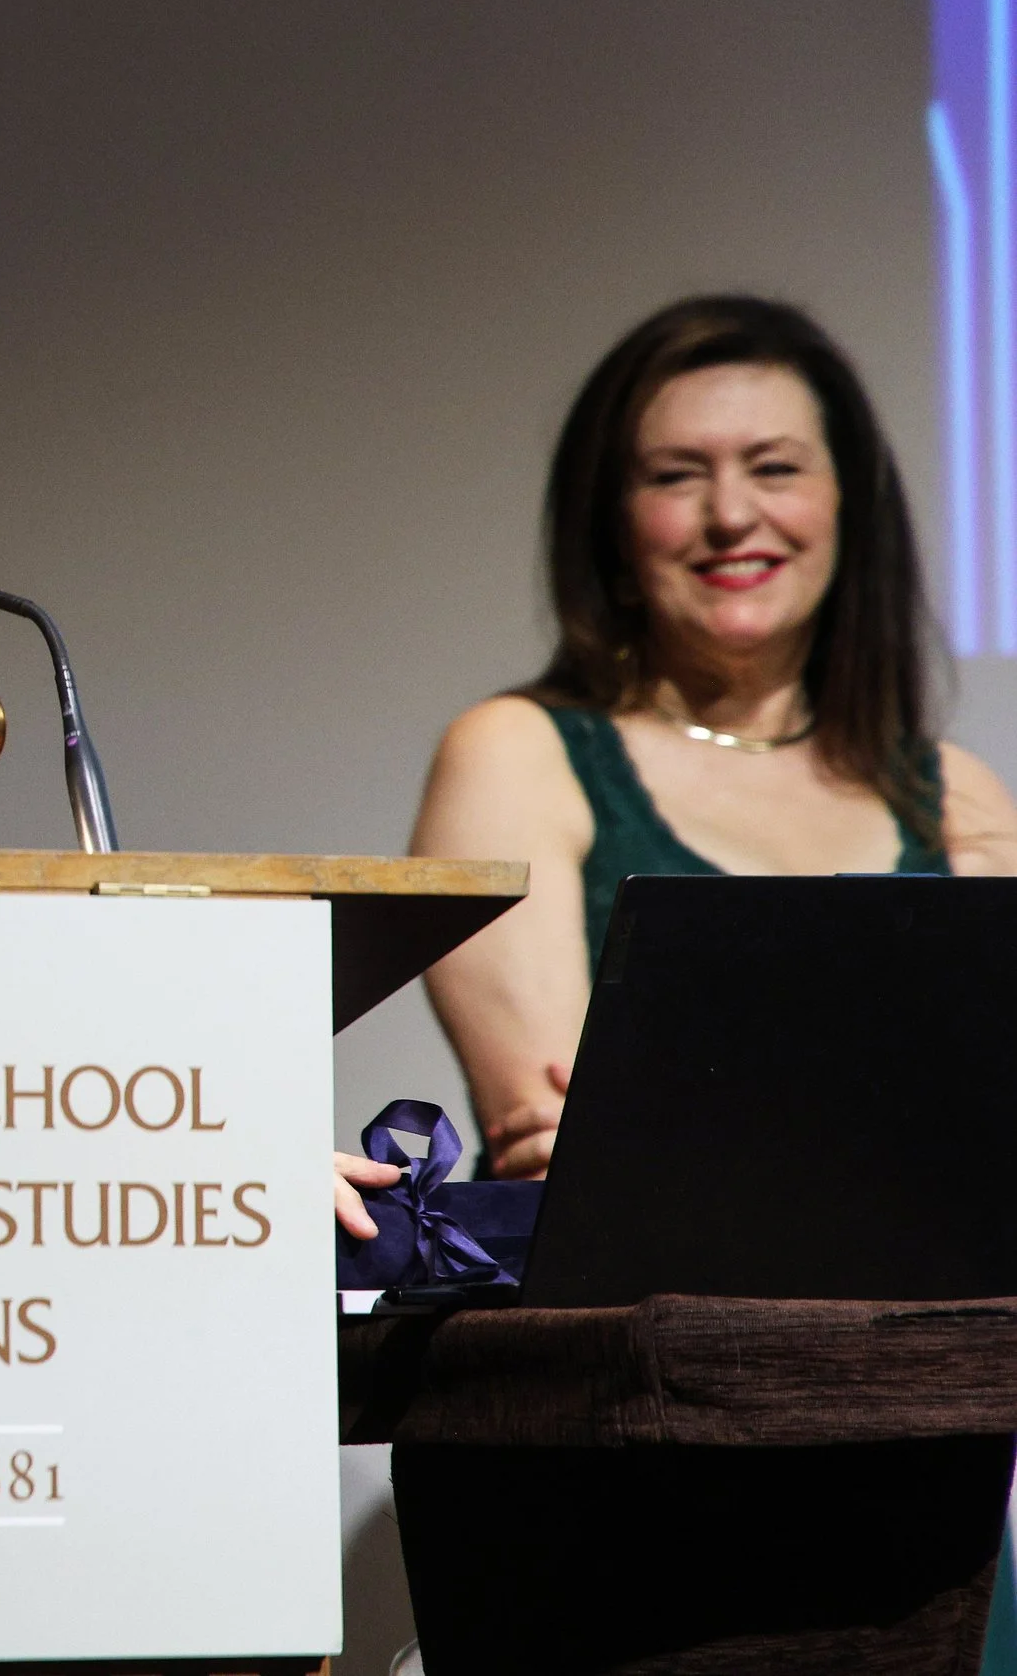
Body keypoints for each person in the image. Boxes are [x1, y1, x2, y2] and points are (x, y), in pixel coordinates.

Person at [412, 294, 1017, 1178]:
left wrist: (679, 1131)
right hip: (633, 1314)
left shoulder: (952, 793)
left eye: (774, 468)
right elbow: (558, 1149)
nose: (730, 513)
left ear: (847, 505)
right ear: (613, 528)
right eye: (675, 476)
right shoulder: (517, 753)